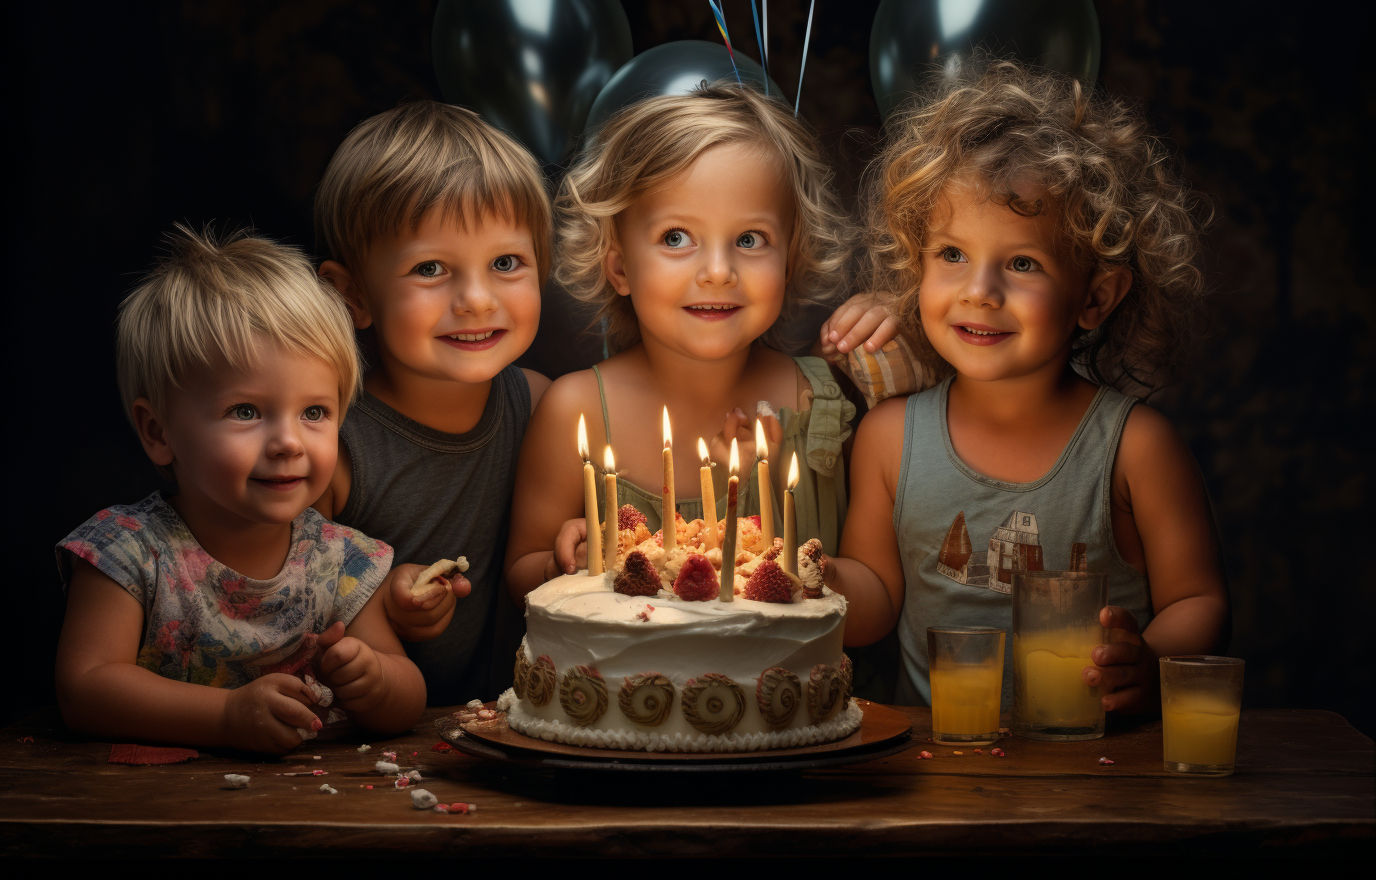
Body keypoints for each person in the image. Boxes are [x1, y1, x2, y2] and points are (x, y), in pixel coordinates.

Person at [828, 59, 1230, 714]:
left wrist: (1150, 662)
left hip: (1096, 781)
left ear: (1094, 297)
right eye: (951, 255)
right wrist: (813, 580)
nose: (979, 293)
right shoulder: (890, 437)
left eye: (1022, 263)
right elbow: (873, 603)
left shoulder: (1135, 447)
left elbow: (1200, 601)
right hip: (939, 781)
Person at [55, 227, 427, 754]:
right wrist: (227, 717)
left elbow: (409, 698)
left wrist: (374, 680)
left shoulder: (340, 560)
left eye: (314, 412)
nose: (288, 442)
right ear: (158, 433)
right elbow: (85, 688)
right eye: (246, 412)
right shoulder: (129, 552)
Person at [505, 83, 858, 602]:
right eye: (676, 237)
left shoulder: (823, 402)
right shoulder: (574, 411)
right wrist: (572, 563)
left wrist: (807, 571)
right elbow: (518, 578)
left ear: (791, 255)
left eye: (750, 239)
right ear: (621, 266)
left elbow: (879, 598)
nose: (718, 272)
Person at [311, 101, 552, 705]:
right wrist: (385, 597)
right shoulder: (332, 444)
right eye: (431, 268)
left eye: (505, 263)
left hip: (513, 728)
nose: (476, 299)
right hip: (360, 743)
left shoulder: (542, 407)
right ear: (353, 297)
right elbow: (290, 599)